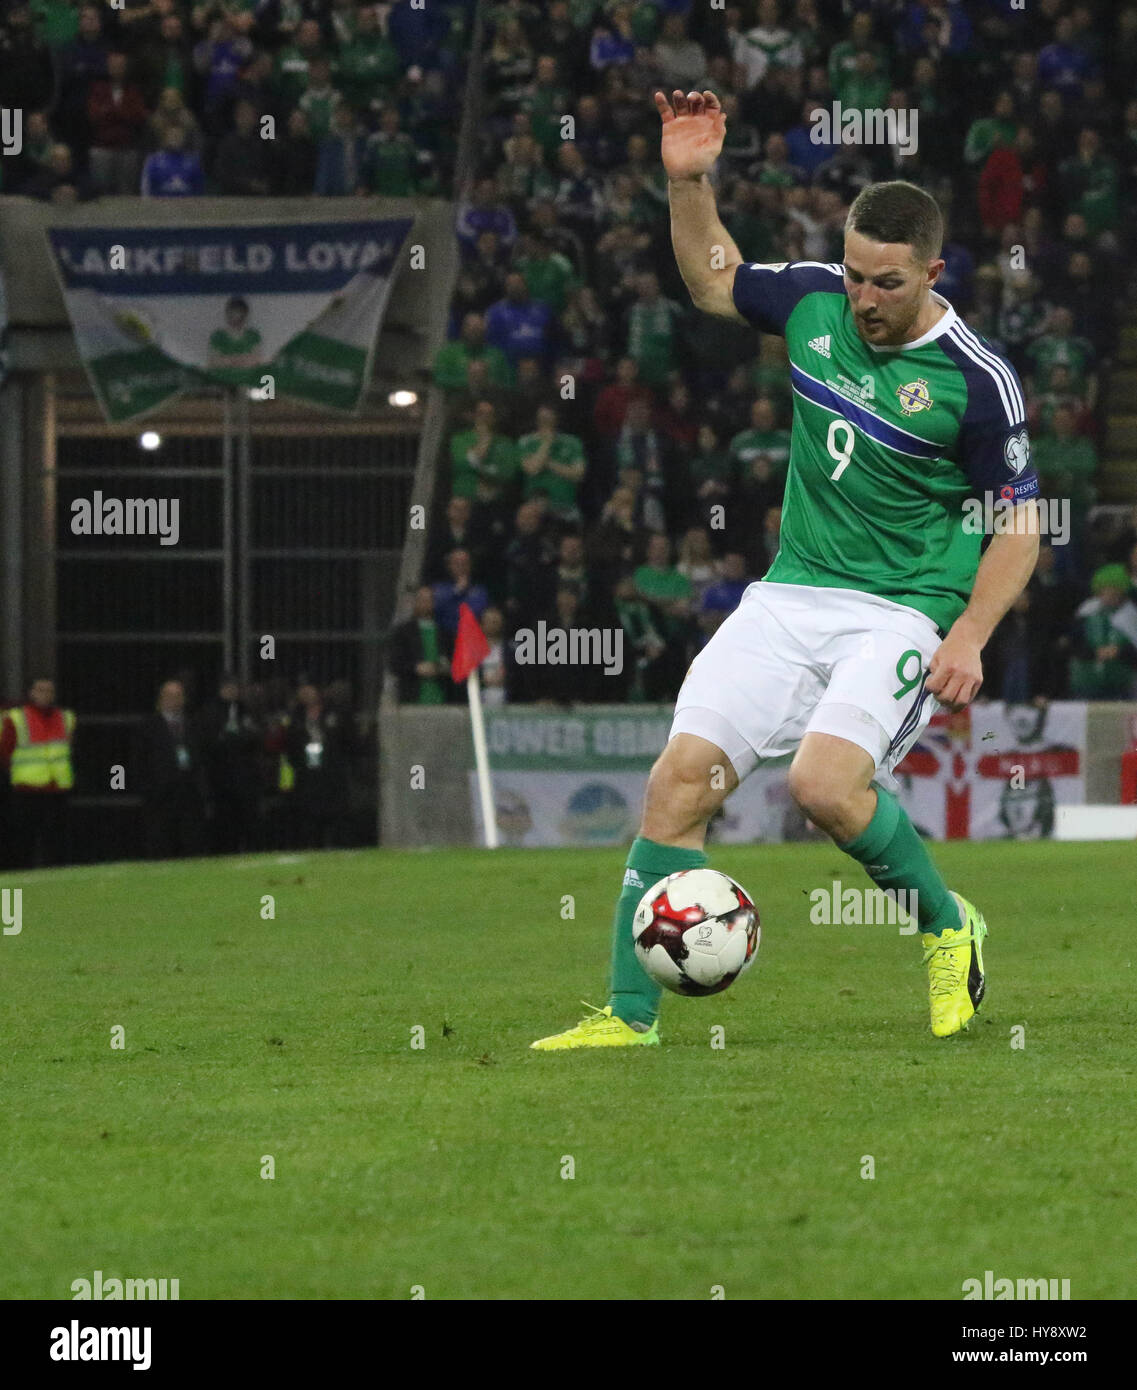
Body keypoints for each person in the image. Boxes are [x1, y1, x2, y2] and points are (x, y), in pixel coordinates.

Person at [533, 91, 1041, 1051]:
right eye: (853, 276)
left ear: (933, 272)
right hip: (789, 592)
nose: (862, 300)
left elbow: (1020, 522)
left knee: (821, 789)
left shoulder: (977, 381)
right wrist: (688, 182)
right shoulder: (812, 299)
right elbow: (714, 280)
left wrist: (970, 632)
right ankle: (628, 1018)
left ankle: (947, 926)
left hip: (900, 611)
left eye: (885, 283)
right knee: (677, 783)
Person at [0, 678, 76, 868]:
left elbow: (70, 750)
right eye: (40, 690)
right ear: (31, 693)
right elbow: (4, 752)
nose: (45, 695)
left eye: (49, 691)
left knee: (56, 841)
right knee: (25, 840)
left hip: (57, 788)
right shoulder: (16, 718)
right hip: (28, 789)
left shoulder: (66, 717)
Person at [134, 679, 207, 858]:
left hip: (188, 793)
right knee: (161, 843)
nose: (174, 700)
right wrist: (148, 789)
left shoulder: (192, 725)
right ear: (161, 699)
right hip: (161, 795)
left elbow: (201, 758)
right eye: (170, 696)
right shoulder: (148, 726)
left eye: (178, 696)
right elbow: (139, 761)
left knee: (190, 843)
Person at [192, 675, 263, 854]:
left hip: (246, 780)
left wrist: (233, 739)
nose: (232, 691)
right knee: (224, 825)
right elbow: (209, 743)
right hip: (221, 780)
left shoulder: (245, 710)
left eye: (235, 687)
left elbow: (255, 736)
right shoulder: (209, 712)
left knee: (249, 824)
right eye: (228, 687)